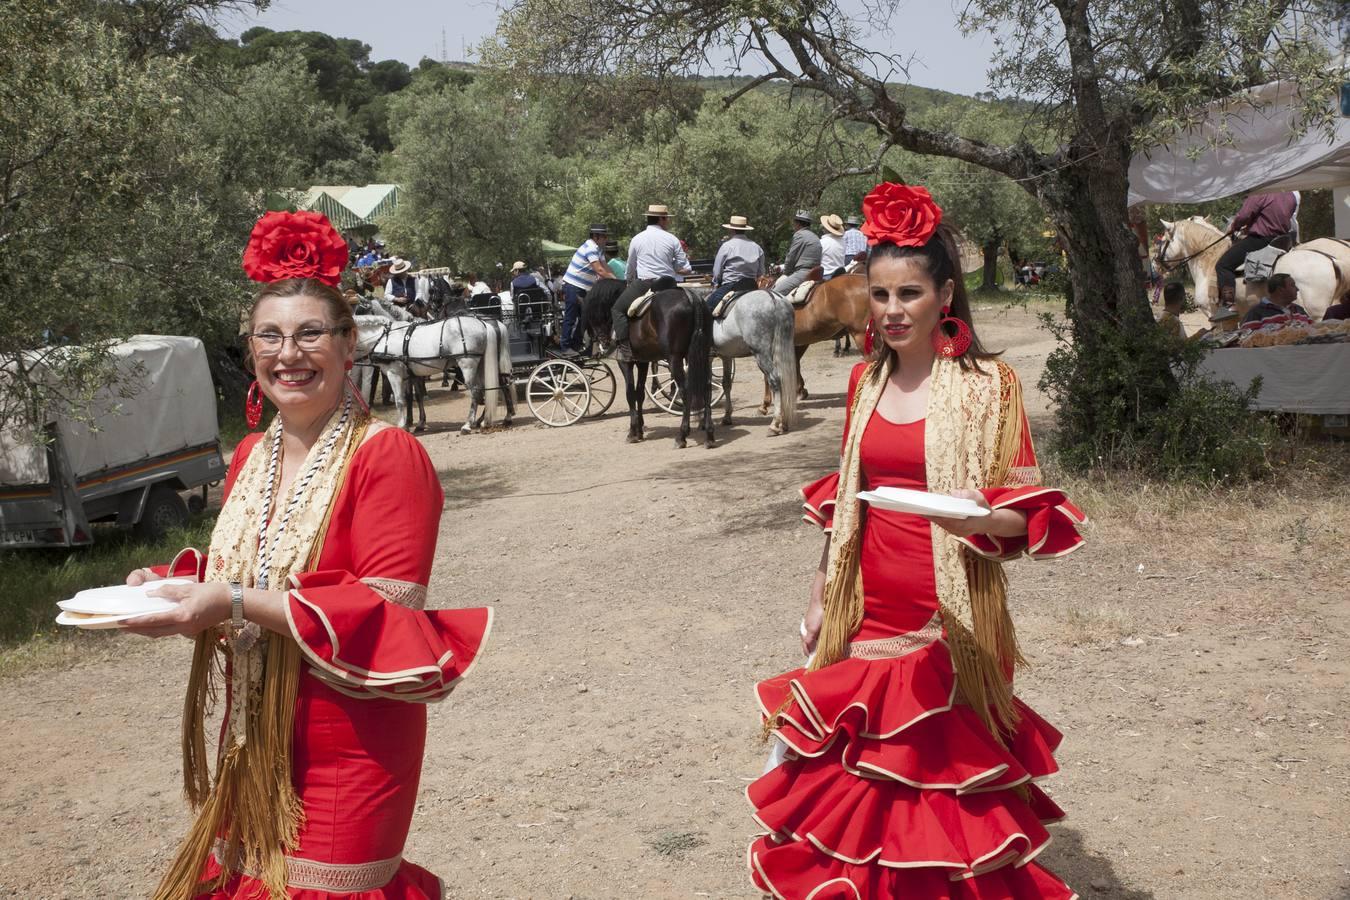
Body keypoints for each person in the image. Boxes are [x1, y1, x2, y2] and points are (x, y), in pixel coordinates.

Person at [124, 210, 492, 900]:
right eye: (270, 335)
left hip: (350, 739)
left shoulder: (388, 456)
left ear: (349, 346)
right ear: (251, 350)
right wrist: (168, 591)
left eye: (310, 333)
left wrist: (230, 603)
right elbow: (248, 571)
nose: (288, 353)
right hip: (253, 733)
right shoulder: (248, 456)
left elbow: (384, 613)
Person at [746, 182, 1086, 899]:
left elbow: (1024, 513)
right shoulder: (863, 384)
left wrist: (979, 518)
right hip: (864, 613)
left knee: (940, 805)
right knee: (862, 803)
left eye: (909, 294)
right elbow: (846, 502)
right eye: (880, 295)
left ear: (945, 295)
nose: (893, 311)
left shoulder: (992, 386)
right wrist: (817, 594)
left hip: (950, 622)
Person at [613, 204, 692, 355]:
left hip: (645, 284)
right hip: (669, 285)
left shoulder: (637, 239)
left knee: (617, 309)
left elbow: (630, 267)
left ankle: (625, 348)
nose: (668, 221)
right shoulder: (672, 239)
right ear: (661, 219)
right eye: (667, 218)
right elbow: (684, 266)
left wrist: (629, 282)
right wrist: (671, 265)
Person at [1216, 191, 1297, 308]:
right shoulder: (1290, 195)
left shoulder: (1260, 192)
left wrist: (1234, 226)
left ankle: (1228, 306)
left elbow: (1244, 216)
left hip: (1261, 240)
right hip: (1283, 241)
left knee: (1223, 265)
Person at [563, 224, 614, 351]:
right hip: (573, 287)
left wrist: (617, 280)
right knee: (570, 318)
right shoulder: (590, 247)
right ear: (596, 237)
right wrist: (617, 282)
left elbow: (605, 267)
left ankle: (576, 345)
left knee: (586, 318)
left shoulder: (598, 249)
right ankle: (565, 348)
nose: (606, 239)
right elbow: (600, 270)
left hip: (582, 288)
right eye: (604, 236)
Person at [706, 214, 765, 311]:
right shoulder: (757, 247)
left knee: (707, 307)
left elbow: (717, 271)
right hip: (752, 286)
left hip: (731, 286)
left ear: (731, 230)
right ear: (745, 229)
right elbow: (761, 273)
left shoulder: (727, 246)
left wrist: (716, 282)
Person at [773, 209, 823, 294]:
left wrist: (786, 273)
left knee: (774, 293)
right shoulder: (815, 236)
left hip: (803, 273)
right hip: (816, 272)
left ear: (798, 224)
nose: (793, 225)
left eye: (794, 223)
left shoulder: (799, 235)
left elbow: (791, 257)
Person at [1241, 272, 1312, 330]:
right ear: (1280, 290)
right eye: (1292, 285)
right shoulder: (1256, 312)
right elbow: (1247, 339)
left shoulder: (1299, 310)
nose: (1297, 289)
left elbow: (1313, 329)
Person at [819, 213, 847, 278]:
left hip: (825, 274)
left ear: (826, 228)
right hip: (841, 274)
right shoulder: (843, 242)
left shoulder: (822, 242)